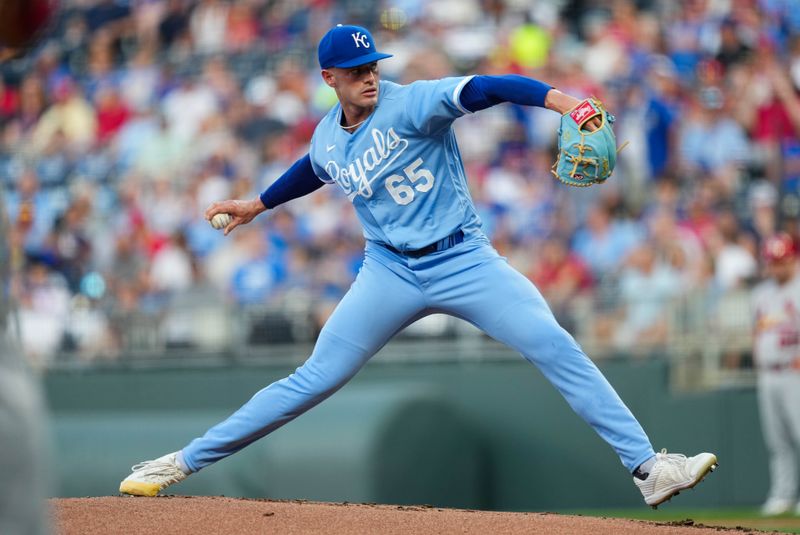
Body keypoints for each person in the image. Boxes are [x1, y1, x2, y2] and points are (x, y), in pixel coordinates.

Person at [120, 24, 717, 507]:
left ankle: (648, 469)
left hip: (464, 258)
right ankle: (184, 461)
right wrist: (258, 203)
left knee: (552, 343)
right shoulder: (329, 137)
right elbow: (315, 169)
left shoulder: (412, 102)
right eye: (356, 72)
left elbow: (487, 86)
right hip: (388, 273)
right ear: (330, 79)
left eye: (373, 65)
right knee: (313, 380)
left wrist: (564, 101)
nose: (369, 76)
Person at [752, 233, 800, 516]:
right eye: (772, 261)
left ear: (793, 259)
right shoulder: (761, 294)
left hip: (793, 371)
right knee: (777, 439)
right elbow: (757, 331)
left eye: (781, 261)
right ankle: (782, 494)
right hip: (768, 373)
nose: (776, 267)